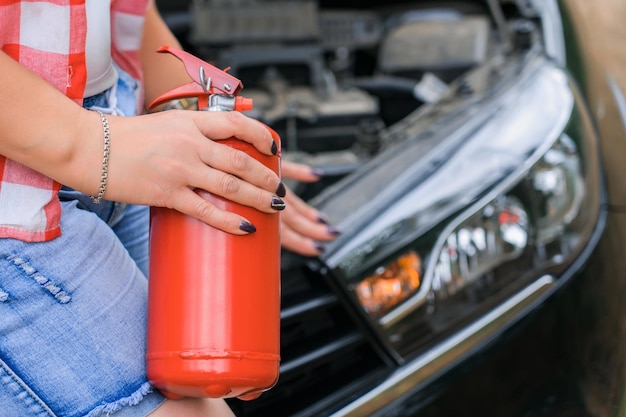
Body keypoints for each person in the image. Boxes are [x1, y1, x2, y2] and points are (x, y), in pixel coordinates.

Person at [0, 1, 337, 416]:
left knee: (211, 362)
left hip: (113, 129)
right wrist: (89, 143)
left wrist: (219, 157)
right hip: (18, 193)